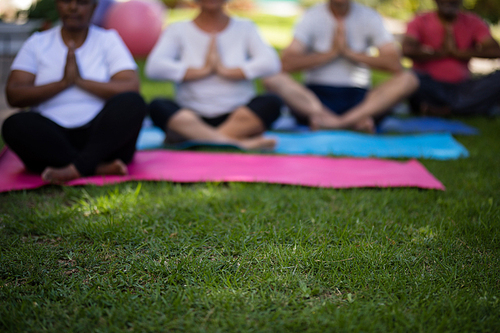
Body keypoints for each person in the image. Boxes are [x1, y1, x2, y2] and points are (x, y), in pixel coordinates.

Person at [1, 0, 146, 184]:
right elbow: (14, 94)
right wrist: (62, 83)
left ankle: (75, 167)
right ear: (57, 4)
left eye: (82, 2)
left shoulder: (108, 40)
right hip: (53, 138)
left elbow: (131, 86)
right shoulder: (37, 43)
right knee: (14, 125)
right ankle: (94, 167)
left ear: (94, 6)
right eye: (66, 1)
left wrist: (80, 81)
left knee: (133, 103)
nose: (73, 8)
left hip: (101, 136)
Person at [264, 0, 419, 132]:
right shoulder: (311, 16)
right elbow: (286, 63)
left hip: (359, 99)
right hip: (315, 99)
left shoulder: (369, 16)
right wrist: (330, 54)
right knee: (272, 77)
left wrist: (349, 53)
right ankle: (350, 123)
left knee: (409, 79)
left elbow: (394, 64)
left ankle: (335, 123)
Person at [145, 0, 282, 150]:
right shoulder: (177, 29)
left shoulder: (245, 27)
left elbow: (271, 63)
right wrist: (201, 71)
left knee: (272, 102)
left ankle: (196, 138)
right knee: (158, 106)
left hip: (237, 115)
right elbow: (154, 67)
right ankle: (237, 142)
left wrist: (226, 71)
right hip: (192, 116)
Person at [402, 0, 500, 116]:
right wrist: (440, 53)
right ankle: (464, 108)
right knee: (410, 78)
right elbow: (406, 50)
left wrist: (458, 53)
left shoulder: (473, 21)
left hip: (463, 88)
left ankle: (446, 110)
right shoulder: (420, 20)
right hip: (429, 86)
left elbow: (495, 51)